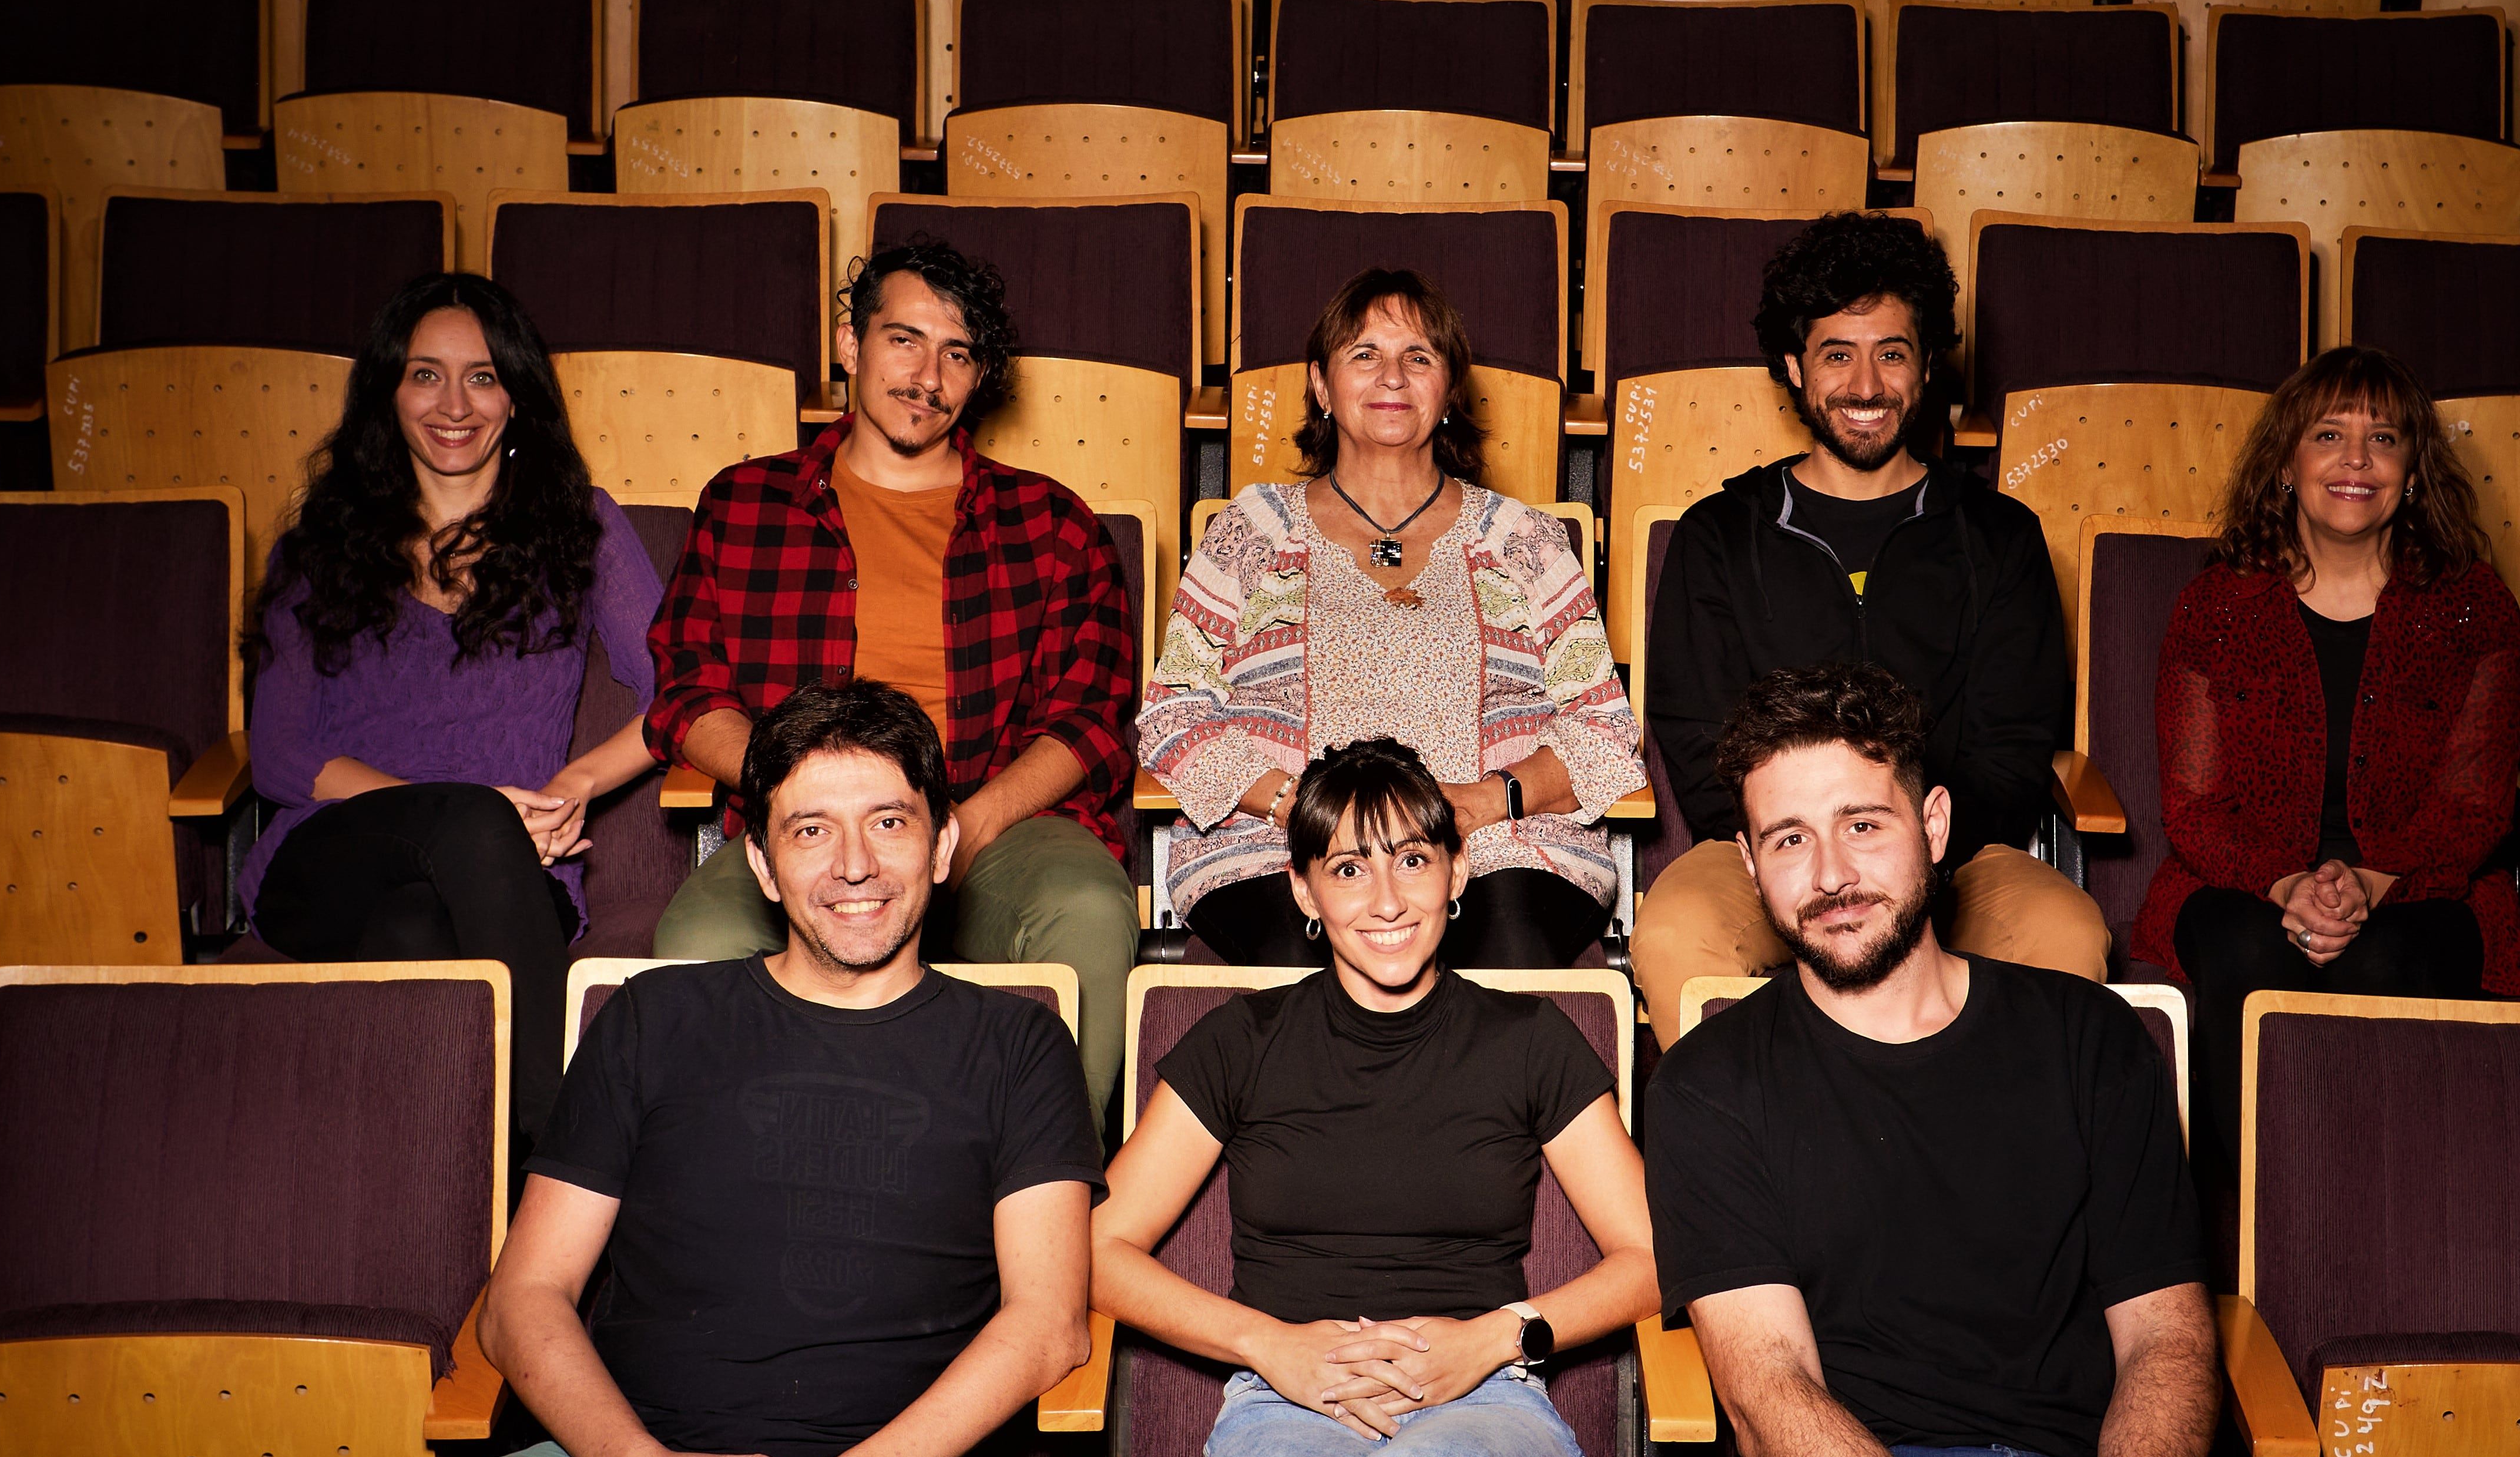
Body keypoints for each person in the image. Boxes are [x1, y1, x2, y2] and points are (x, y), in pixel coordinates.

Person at [1628, 663, 2440, 1457]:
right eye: (1787, 840)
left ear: (1932, 826)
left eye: (1862, 825)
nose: (1830, 875)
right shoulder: (1708, 1082)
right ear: (1748, 864)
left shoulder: (2090, 1038)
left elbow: (2165, 1344)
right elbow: (1769, 1396)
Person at [294, 679, 1105, 1457]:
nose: (852, 865)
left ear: (942, 841)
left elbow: (1047, 1327)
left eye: (887, 822)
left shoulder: (1017, 1043)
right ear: (759, 863)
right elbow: (522, 1297)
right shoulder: (655, 1017)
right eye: (809, 830)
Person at [1092, 736, 1659, 1457]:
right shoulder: (1239, 1045)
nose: (1387, 899)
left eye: (1412, 859)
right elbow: (1097, 1249)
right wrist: (1269, 1346)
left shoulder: (1531, 1041)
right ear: (1302, 888)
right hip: (1283, 1415)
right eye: (1349, 869)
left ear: (1458, 872)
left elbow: (1652, 1258)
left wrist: (1492, 1338)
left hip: (1488, 1408)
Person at [647, 235, 1141, 1116]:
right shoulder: (746, 503)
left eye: (958, 354)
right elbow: (686, 693)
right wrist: (800, 793)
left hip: (990, 823)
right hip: (801, 816)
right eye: (905, 340)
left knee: (1088, 910)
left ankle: (1069, 1212)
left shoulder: (1052, 521)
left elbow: (1093, 718)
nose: (928, 376)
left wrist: (970, 823)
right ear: (850, 344)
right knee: (698, 941)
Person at [1632, 213, 2106, 1045]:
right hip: (1769, 852)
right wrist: (1803, 845)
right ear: (1793, 367)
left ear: (1924, 369)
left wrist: (1905, 852)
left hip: (1950, 857)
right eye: (1835, 354)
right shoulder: (1718, 533)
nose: (1864, 385)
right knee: (1674, 933)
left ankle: (1989, 1174)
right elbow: (1695, 733)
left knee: (2063, 933)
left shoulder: (1996, 536)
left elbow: (2015, 740)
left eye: (1890, 353)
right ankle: (1757, 1170)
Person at [243, 271, 662, 1150]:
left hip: (511, 876)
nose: (454, 403)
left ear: (516, 398)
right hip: (329, 862)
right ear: (388, 393)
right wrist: (461, 813)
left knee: (414, 932)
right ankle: (575, 1175)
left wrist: (568, 789)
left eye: (482, 376)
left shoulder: (579, 529)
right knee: (458, 836)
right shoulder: (315, 549)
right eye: (425, 374)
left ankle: (460, 1232)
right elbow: (280, 755)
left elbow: (683, 692)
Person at [1140, 268, 1642, 971]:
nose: (1393, 378)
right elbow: (1173, 714)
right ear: (1321, 385)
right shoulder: (1250, 531)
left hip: (1494, 843)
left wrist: (1478, 803)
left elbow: (1603, 727)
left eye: (1418, 357)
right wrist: (1300, 807)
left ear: (1448, 389)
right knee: (1305, 980)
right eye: (1364, 355)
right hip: (1282, 840)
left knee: (1501, 965)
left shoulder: (1524, 539)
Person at [2135, 345, 2520, 1165]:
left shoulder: (2469, 607)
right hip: (2244, 883)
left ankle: (2386, 1227)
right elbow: (2192, 806)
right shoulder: (2215, 605)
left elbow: (2476, 801)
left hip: (2420, 887)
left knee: (2393, 959)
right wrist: (2285, 885)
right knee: (2245, 954)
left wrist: (2375, 881)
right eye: (2326, 436)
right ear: (2285, 463)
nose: (2355, 460)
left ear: (2412, 469)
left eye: (2382, 439)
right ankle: (2257, 1231)